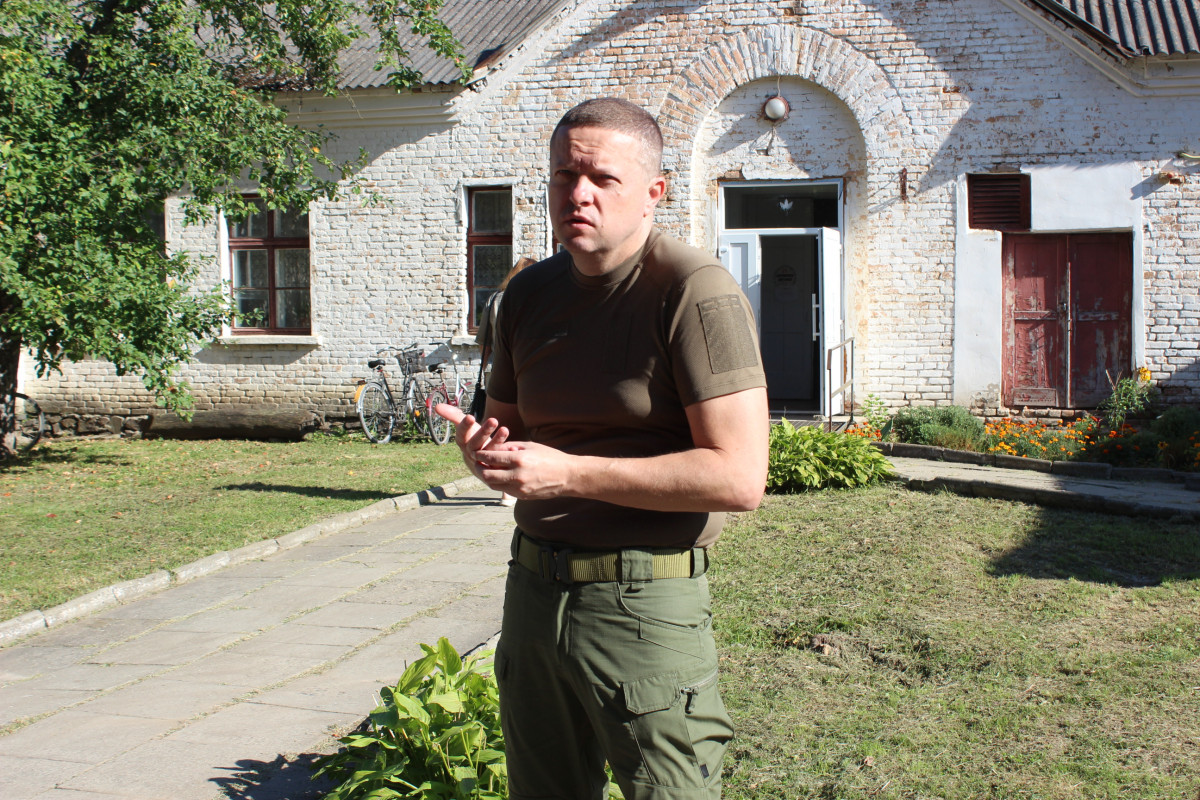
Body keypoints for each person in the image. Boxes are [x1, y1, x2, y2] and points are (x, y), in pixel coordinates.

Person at [436, 97, 768, 800]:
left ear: (653, 192)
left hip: (643, 605)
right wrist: (485, 455)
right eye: (563, 176)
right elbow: (511, 432)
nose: (577, 194)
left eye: (601, 178)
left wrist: (569, 474)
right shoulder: (525, 296)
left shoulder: (694, 293)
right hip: (532, 594)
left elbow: (739, 477)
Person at [474, 257, 535, 507]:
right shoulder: (537, 297)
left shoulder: (494, 300)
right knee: (531, 426)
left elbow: (484, 343)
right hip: (528, 370)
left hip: (498, 370)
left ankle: (507, 491)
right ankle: (526, 482)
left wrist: (485, 370)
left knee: (503, 430)